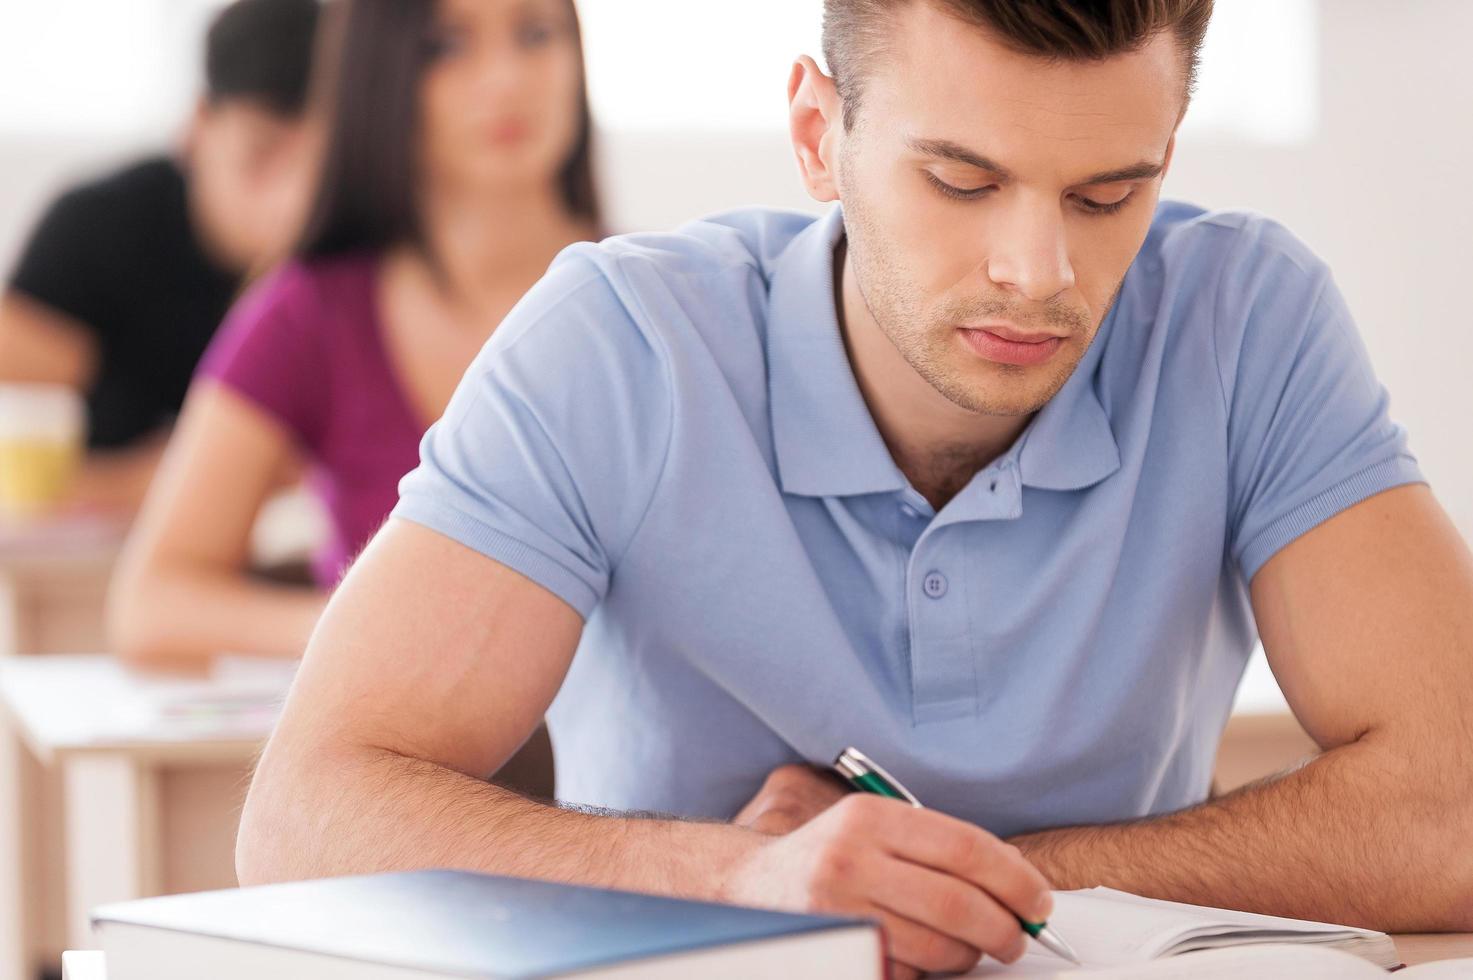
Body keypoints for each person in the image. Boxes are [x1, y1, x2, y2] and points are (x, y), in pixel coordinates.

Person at [237, 2, 1473, 978]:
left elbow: (1454, 807)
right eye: (962, 180)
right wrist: (743, 880)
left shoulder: (1245, 318)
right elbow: (299, 825)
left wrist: (946, 879)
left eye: (1109, 193)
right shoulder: (619, 345)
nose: (1038, 274)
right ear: (819, 135)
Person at [108, 0, 602, 673]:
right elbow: (151, 605)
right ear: (379, 74)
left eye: (536, 34)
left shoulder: (653, 303)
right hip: (399, 761)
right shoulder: (310, 310)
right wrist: (368, 626)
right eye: (444, 47)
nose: (505, 79)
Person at [0, 0, 320, 515]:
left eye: (319, 167)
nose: (292, 197)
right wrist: (161, 480)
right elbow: (15, 473)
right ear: (198, 123)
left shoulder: (345, 255)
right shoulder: (94, 232)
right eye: (260, 155)